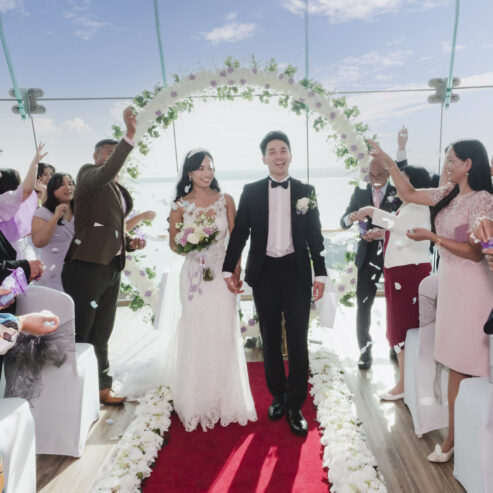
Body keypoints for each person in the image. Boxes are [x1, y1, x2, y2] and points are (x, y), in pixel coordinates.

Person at [368, 138, 493, 463]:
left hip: (473, 289)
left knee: (468, 366)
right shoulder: (447, 194)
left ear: (469, 164)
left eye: (452, 159)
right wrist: (389, 162)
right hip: (451, 288)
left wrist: (433, 238)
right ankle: (457, 438)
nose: (446, 165)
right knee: (455, 364)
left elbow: (475, 251)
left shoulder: (483, 201)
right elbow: (408, 194)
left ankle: (460, 441)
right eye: (446, 159)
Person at [222, 131, 327, 436]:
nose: (278, 156)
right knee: (268, 338)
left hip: (296, 273)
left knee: (297, 338)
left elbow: (315, 237)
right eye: (272, 151)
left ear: (291, 155)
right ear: (264, 158)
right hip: (264, 272)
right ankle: (278, 396)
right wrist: (230, 269)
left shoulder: (307, 190)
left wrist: (320, 274)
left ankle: (295, 404)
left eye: (283, 149)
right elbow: (240, 233)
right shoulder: (251, 191)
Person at [166, 148, 257, 431]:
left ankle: (226, 399)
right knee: (196, 330)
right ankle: (197, 401)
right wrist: (191, 244)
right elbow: (173, 243)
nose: (207, 173)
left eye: (210, 167)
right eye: (201, 168)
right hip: (194, 276)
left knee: (223, 330)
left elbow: (236, 239)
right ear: (190, 173)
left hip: (221, 275)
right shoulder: (179, 205)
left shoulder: (225, 200)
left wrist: (235, 271)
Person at [62, 107, 145, 406]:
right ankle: (75, 393)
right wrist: (129, 136)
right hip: (86, 267)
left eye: (116, 153)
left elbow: (110, 226)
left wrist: (129, 243)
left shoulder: (114, 188)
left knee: (103, 330)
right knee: (82, 331)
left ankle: (101, 387)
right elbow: (108, 169)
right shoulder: (87, 175)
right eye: (107, 154)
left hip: (111, 266)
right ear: (96, 157)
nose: (112, 159)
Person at [357, 165, 432, 399]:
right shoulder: (408, 206)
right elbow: (400, 232)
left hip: (408, 274)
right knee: (401, 328)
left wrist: (372, 211)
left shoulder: (419, 205)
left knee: (403, 328)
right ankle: (407, 382)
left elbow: (405, 229)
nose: (398, 184)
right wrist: (382, 234)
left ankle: (405, 385)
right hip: (401, 273)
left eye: (403, 180)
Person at [340, 155, 403, 370]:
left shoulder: (398, 194)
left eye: (380, 175)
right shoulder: (359, 193)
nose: (375, 179)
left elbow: (404, 225)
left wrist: (383, 233)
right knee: (364, 304)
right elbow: (344, 220)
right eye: (371, 175)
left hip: (393, 254)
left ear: (388, 174)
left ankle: (397, 347)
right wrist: (352, 217)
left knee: (396, 303)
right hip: (366, 256)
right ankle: (365, 350)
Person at [31, 173, 75, 291]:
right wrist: (55, 216)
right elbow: (39, 242)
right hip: (51, 279)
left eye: (70, 184)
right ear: (52, 190)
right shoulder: (43, 213)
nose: (68, 187)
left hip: (77, 277)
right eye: (61, 185)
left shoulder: (80, 213)